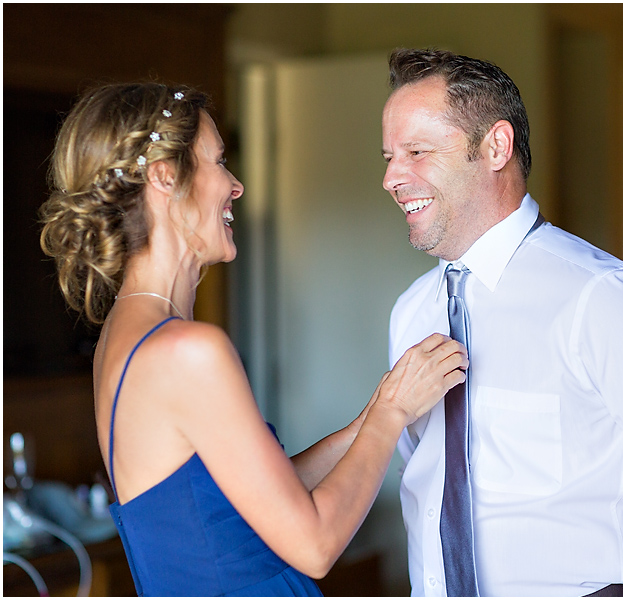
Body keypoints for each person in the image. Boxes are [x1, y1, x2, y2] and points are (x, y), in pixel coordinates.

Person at [39, 82, 468, 596]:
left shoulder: (123, 338)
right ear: (164, 176)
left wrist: (376, 412)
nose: (236, 185)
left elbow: (239, 500)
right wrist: (392, 415)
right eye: (218, 161)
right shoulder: (188, 352)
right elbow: (315, 544)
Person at [382, 48, 623, 597]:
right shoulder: (410, 312)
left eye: (416, 151)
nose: (392, 177)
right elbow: (424, 479)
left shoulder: (602, 298)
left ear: (496, 147)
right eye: (388, 156)